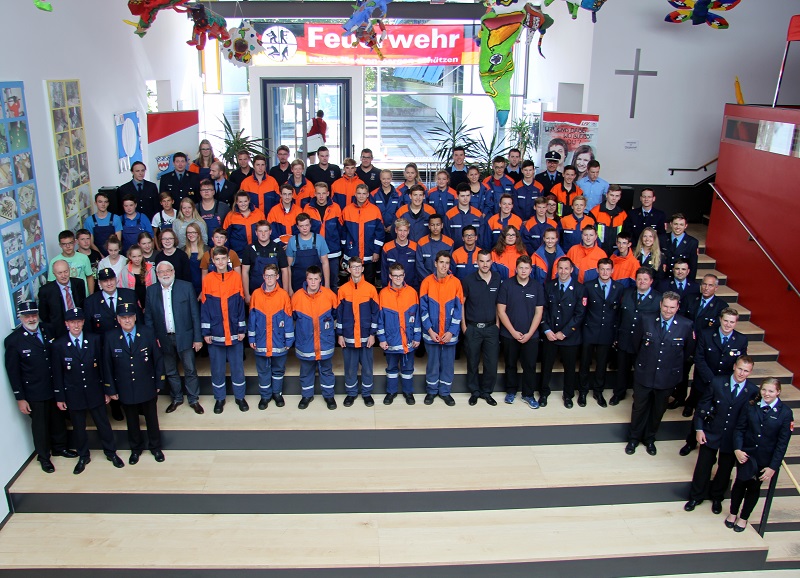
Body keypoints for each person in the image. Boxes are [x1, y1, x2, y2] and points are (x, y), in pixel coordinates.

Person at [4, 301, 77, 473]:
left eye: (33, 315)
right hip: (34, 391)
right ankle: (44, 457)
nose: (31, 319)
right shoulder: (13, 341)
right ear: (20, 318)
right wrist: (20, 398)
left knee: (58, 420)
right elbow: (13, 372)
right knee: (40, 426)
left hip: (54, 386)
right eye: (27, 316)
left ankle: (60, 448)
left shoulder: (47, 330)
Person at [51, 307, 124, 474]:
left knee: (103, 424)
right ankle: (83, 456)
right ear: (66, 324)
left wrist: (107, 390)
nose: (76, 325)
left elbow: (103, 367)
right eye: (72, 322)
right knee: (79, 428)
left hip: (95, 390)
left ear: (83, 322)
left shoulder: (94, 339)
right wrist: (60, 397)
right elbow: (57, 373)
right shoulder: (58, 345)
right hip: (73, 393)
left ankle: (111, 453)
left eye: (78, 321)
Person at [684, 356, 758, 515]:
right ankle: (696, 496)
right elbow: (703, 406)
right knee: (703, 466)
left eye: (746, 371)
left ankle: (717, 497)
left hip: (732, 437)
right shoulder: (717, 382)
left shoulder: (752, 391)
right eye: (740, 369)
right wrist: (699, 429)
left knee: (725, 469)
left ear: (750, 372)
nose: (742, 373)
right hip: (712, 431)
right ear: (734, 367)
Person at [625, 291, 694, 456]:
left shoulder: (686, 325)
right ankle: (633, 438)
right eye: (666, 306)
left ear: (678, 307)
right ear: (660, 305)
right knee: (639, 408)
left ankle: (649, 439)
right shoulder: (646, 319)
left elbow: (687, 351)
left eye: (672, 307)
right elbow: (636, 344)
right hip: (645, 374)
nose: (668, 310)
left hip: (667, 378)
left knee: (658, 411)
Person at [680, 307, 749, 456]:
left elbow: (739, 363)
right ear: (720, 320)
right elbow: (699, 358)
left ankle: (712, 443)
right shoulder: (706, 334)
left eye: (732, 322)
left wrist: (722, 383)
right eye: (726, 321)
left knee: (719, 414)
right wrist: (713, 381)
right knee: (699, 412)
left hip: (726, 386)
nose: (728, 324)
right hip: (704, 382)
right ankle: (691, 442)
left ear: (736, 323)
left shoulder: (741, 340)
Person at [103, 301, 165, 465]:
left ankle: (155, 447)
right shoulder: (111, 337)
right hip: (125, 386)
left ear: (135, 317)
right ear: (118, 320)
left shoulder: (147, 332)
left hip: (147, 384)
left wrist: (159, 382)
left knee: (151, 418)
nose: (127, 320)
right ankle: (136, 449)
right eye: (123, 318)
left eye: (130, 317)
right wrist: (111, 388)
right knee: (131, 420)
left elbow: (158, 359)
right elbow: (107, 365)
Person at [728, 377, 793, 533]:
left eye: (771, 391)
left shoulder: (785, 413)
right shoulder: (751, 406)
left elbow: (782, 443)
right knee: (739, 483)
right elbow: (740, 429)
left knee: (753, 487)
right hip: (746, 454)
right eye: (764, 389)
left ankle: (744, 517)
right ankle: (733, 513)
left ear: (778, 392)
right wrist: (737, 449)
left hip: (764, 459)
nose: (766, 394)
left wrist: (773, 467)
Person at [146, 261, 203, 415]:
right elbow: (149, 318)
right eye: (161, 272)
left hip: (185, 337)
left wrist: (198, 338)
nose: (165, 274)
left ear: (173, 271)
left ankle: (193, 399)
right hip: (163, 338)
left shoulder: (186, 287)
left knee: (190, 369)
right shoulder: (151, 291)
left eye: (168, 270)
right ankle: (177, 398)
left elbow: (195, 314)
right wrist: (152, 340)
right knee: (170, 370)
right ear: (157, 274)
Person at [200, 247, 247, 414]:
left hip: (234, 331)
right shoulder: (208, 279)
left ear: (228, 259)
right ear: (212, 261)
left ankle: (240, 397)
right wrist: (206, 332)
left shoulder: (236, 277)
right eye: (217, 259)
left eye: (223, 258)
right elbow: (205, 307)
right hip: (216, 333)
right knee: (217, 369)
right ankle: (219, 398)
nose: (220, 262)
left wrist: (241, 329)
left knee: (237, 367)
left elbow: (240, 305)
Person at [673, 274, 728, 414]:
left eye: (710, 285)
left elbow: (716, 329)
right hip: (687, 343)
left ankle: (691, 403)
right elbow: (681, 319)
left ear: (716, 288)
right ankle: (679, 398)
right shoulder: (690, 298)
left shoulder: (721, 306)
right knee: (682, 372)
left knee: (699, 377)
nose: (706, 288)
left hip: (705, 346)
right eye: (704, 284)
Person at [497, 255, 545, 408]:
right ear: (516, 269)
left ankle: (528, 395)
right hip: (509, 334)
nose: (523, 271)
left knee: (529, 366)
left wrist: (530, 333)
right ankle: (511, 391)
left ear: (531, 270)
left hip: (531, 336)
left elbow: (539, 312)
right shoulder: (506, 285)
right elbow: (501, 311)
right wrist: (513, 332)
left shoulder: (537, 286)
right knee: (510, 364)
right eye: (521, 268)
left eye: (526, 268)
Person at [611, 267, 661, 405]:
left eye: (645, 279)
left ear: (651, 281)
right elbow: (619, 316)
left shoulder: (658, 298)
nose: (642, 282)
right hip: (625, 339)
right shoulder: (627, 293)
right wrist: (616, 337)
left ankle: (639, 397)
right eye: (639, 279)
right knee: (622, 369)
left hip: (644, 343)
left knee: (641, 372)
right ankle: (619, 393)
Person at [540, 257, 586, 408]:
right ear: (556, 269)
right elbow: (543, 310)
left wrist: (564, 332)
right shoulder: (549, 286)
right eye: (560, 268)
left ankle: (568, 395)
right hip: (550, 335)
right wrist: (547, 329)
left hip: (569, 337)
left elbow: (579, 314)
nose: (563, 271)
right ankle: (544, 393)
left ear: (571, 270)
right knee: (546, 366)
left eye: (566, 268)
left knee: (570, 368)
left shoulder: (579, 289)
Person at [420, 251, 463, 406]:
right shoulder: (426, 282)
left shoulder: (456, 283)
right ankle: (431, 391)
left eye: (447, 263)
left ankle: (445, 392)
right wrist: (430, 330)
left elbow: (458, 310)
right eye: (441, 262)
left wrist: (451, 331)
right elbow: (423, 310)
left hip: (449, 334)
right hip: (432, 333)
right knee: (432, 363)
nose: (444, 266)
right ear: (435, 263)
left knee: (447, 364)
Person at [292, 265, 339, 409]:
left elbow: (335, 315)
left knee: (326, 370)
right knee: (306, 371)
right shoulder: (297, 297)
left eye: (316, 279)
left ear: (320, 280)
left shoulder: (329, 295)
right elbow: (293, 317)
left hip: (325, 342)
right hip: (305, 342)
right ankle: (306, 396)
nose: (313, 282)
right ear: (306, 279)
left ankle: (329, 396)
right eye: (310, 279)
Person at [248, 263, 294, 409]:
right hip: (261, 340)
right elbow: (252, 319)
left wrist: (289, 339)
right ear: (263, 277)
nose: (269, 278)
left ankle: (277, 394)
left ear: (277, 277)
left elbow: (288, 318)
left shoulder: (283, 295)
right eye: (267, 276)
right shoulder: (256, 294)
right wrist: (251, 338)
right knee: (263, 370)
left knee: (278, 369)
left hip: (278, 340)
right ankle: (265, 396)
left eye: (272, 276)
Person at [579, 258, 623, 407]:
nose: (605, 272)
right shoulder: (588, 286)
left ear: (612, 270)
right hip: (589, 330)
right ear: (597, 270)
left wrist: (616, 334)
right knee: (585, 363)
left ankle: (598, 391)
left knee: (602, 364)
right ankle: (583, 391)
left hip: (607, 331)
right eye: (602, 269)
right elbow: (583, 310)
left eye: (608, 269)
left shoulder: (618, 288)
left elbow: (618, 313)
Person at [336, 257, 379, 407]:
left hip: (366, 336)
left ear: (363, 268)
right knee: (350, 367)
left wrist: (373, 334)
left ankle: (367, 394)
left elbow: (375, 314)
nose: (356, 269)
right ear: (348, 269)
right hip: (348, 337)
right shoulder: (342, 290)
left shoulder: (371, 289)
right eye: (353, 267)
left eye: (359, 267)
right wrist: (340, 335)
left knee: (367, 367)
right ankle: (351, 393)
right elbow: (339, 315)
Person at [461, 249, 501, 406]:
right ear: (476, 262)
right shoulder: (468, 280)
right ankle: (474, 392)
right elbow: (461, 304)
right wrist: (464, 326)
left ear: (492, 262)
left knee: (491, 363)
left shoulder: (497, 278)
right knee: (472, 362)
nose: (485, 264)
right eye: (482, 261)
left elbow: (499, 304)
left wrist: (497, 324)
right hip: (473, 328)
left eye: (487, 261)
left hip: (491, 328)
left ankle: (486, 392)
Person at [377, 263, 421, 405]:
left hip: (409, 339)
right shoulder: (383, 294)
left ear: (404, 275)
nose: (398, 278)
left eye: (400, 275)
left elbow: (417, 317)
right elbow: (380, 319)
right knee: (391, 368)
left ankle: (408, 392)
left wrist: (417, 337)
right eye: (395, 275)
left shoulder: (412, 293)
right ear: (390, 276)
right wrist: (382, 339)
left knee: (408, 368)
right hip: (391, 341)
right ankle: (391, 392)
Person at [341, 183, 385, 285]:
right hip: (352, 253)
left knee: (369, 282)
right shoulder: (347, 210)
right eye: (359, 193)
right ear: (355, 194)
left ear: (368, 194)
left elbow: (380, 233)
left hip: (369, 254)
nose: (361, 196)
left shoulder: (375, 210)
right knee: (352, 282)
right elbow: (343, 231)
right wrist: (345, 249)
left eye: (364, 193)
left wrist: (376, 251)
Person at [304, 182, 343, 292]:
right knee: (314, 282)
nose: (321, 196)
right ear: (314, 194)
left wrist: (340, 246)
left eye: (323, 193)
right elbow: (304, 230)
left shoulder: (336, 207)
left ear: (328, 193)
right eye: (318, 193)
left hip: (333, 251)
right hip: (314, 251)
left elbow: (341, 229)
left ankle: (332, 302)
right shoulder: (308, 208)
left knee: (332, 282)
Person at [241, 220, 290, 302]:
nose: (263, 234)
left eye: (266, 231)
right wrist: (246, 294)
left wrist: (285, 293)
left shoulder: (278, 248)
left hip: (276, 294)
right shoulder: (249, 249)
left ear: (270, 232)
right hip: (255, 293)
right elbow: (245, 272)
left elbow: (284, 271)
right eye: (260, 231)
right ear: (256, 233)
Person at [39, 259, 87, 339]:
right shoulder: (45, 291)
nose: (63, 275)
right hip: (59, 332)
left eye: (66, 272)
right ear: (54, 274)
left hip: (79, 327)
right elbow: (44, 315)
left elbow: (83, 305)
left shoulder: (79, 283)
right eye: (60, 273)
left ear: (69, 270)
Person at [286, 213, 330, 294]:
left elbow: (325, 263)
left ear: (310, 225)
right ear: (297, 226)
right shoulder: (292, 241)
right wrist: (289, 288)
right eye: (301, 226)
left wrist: (327, 286)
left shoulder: (319, 239)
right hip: (297, 283)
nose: (304, 228)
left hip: (316, 284)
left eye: (306, 225)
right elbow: (288, 267)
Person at [48, 230, 94, 294]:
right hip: (64, 296)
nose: (68, 246)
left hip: (83, 295)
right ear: (60, 245)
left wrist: (91, 295)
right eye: (64, 244)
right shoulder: (54, 261)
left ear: (75, 242)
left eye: (70, 243)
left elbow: (89, 277)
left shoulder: (84, 258)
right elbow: (51, 282)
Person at [223, 191, 266, 256]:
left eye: (245, 201)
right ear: (236, 202)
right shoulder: (230, 216)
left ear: (249, 201)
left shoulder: (259, 214)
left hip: (258, 251)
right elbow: (225, 236)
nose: (243, 204)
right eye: (240, 202)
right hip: (238, 253)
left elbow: (266, 232)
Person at [660, 213, 700, 281]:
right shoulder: (661, 239)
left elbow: (693, 266)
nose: (678, 227)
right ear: (671, 224)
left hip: (680, 280)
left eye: (681, 224)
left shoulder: (692, 242)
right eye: (675, 224)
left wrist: (690, 283)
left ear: (686, 226)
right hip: (664, 279)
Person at [382, 218, 419, 290]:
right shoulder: (387, 247)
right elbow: (384, 270)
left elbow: (417, 271)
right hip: (391, 289)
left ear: (408, 231)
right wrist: (385, 289)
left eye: (405, 230)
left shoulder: (415, 247)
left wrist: (415, 289)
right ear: (396, 230)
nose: (402, 234)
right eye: (400, 230)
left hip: (410, 289)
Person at [591, 184, 628, 255]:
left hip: (616, 252)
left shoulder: (623, 214)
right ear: (606, 195)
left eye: (617, 196)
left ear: (620, 197)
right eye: (612, 195)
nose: (614, 198)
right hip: (598, 251)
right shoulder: (595, 212)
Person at [416, 213, 453, 281]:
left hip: (444, 281)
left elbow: (450, 264)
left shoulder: (449, 242)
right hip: (426, 280)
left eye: (438, 225)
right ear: (429, 226)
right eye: (432, 225)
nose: (435, 227)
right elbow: (419, 265)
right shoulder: (421, 242)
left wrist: (442, 278)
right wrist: (430, 280)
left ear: (442, 225)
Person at [445, 185, 484, 250]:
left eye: (468, 195)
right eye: (462, 196)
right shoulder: (449, 215)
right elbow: (447, 237)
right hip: (455, 253)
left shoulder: (478, 214)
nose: (465, 198)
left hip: (475, 253)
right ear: (457, 196)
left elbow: (481, 237)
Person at [84, 191, 122, 256]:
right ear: (95, 203)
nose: (103, 204)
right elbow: (91, 243)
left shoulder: (116, 218)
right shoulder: (89, 220)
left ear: (108, 203)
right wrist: (101, 256)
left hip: (113, 255)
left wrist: (110, 256)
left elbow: (118, 241)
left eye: (105, 202)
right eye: (100, 202)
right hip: (97, 256)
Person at [119, 245, 156, 309]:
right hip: (132, 303)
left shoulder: (150, 269)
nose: (137, 259)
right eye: (134, 257)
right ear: (130, 257)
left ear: (142, 255)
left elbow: (154, 288)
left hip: (148, 302)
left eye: (139, 256)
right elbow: (122, 289)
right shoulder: (125, 271)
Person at [370, 169, 402, 239]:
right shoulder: (373, 194)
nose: (386, 181)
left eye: (388, 179)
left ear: (391, 178)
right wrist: (381, 224)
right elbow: (372, 212)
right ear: (380, 178)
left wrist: (393, 225)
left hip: (394, 230)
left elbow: (400, 212)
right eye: (383, 179)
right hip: (377, 229)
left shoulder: (398, 194)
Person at [183, 223, 207, 296]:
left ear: (198, 234)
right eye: (189, 232)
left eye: (193, 232)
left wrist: (204, 289)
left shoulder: (206, 249)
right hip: (188, 286)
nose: (191, 235)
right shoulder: (182, 250)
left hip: (203, 285)